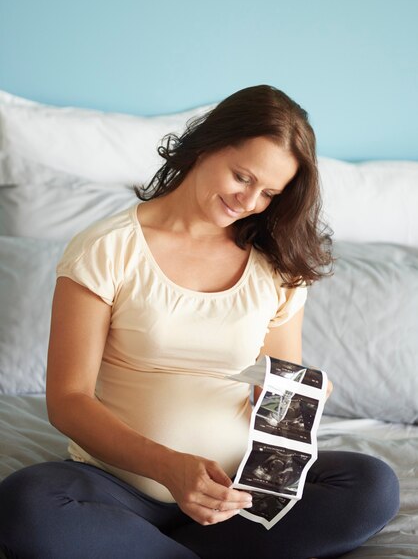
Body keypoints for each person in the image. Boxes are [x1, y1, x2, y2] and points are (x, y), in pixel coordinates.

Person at [0, 85, 399, 558]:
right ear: (206, 145)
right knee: (27, 502)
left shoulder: (276, 266)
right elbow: (68, 401)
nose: (249, 201)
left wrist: (293, 399)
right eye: (241, 176)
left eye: (269, 192)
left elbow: (273, 403)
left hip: (239, 496)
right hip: (119, 490)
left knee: (371, 484)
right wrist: (170, 467)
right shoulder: (106, 249)